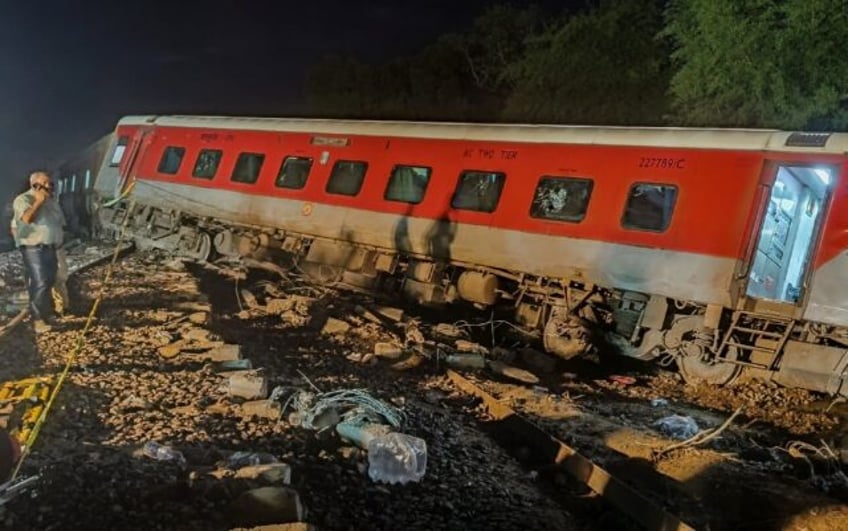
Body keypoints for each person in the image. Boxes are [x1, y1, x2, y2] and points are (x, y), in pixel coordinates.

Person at [12, 171, 66, 332]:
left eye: (51, 183)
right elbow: (26, 219)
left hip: (50, 247)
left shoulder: (52, 202)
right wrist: (38, 202)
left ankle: (47, 314)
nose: (50, 186)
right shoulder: (23, 199)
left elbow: (59, 223)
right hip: (33, 248)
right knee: (40, 281)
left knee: (49, 281)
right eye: (46, 183)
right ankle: (37, 320)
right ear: (35, 184)